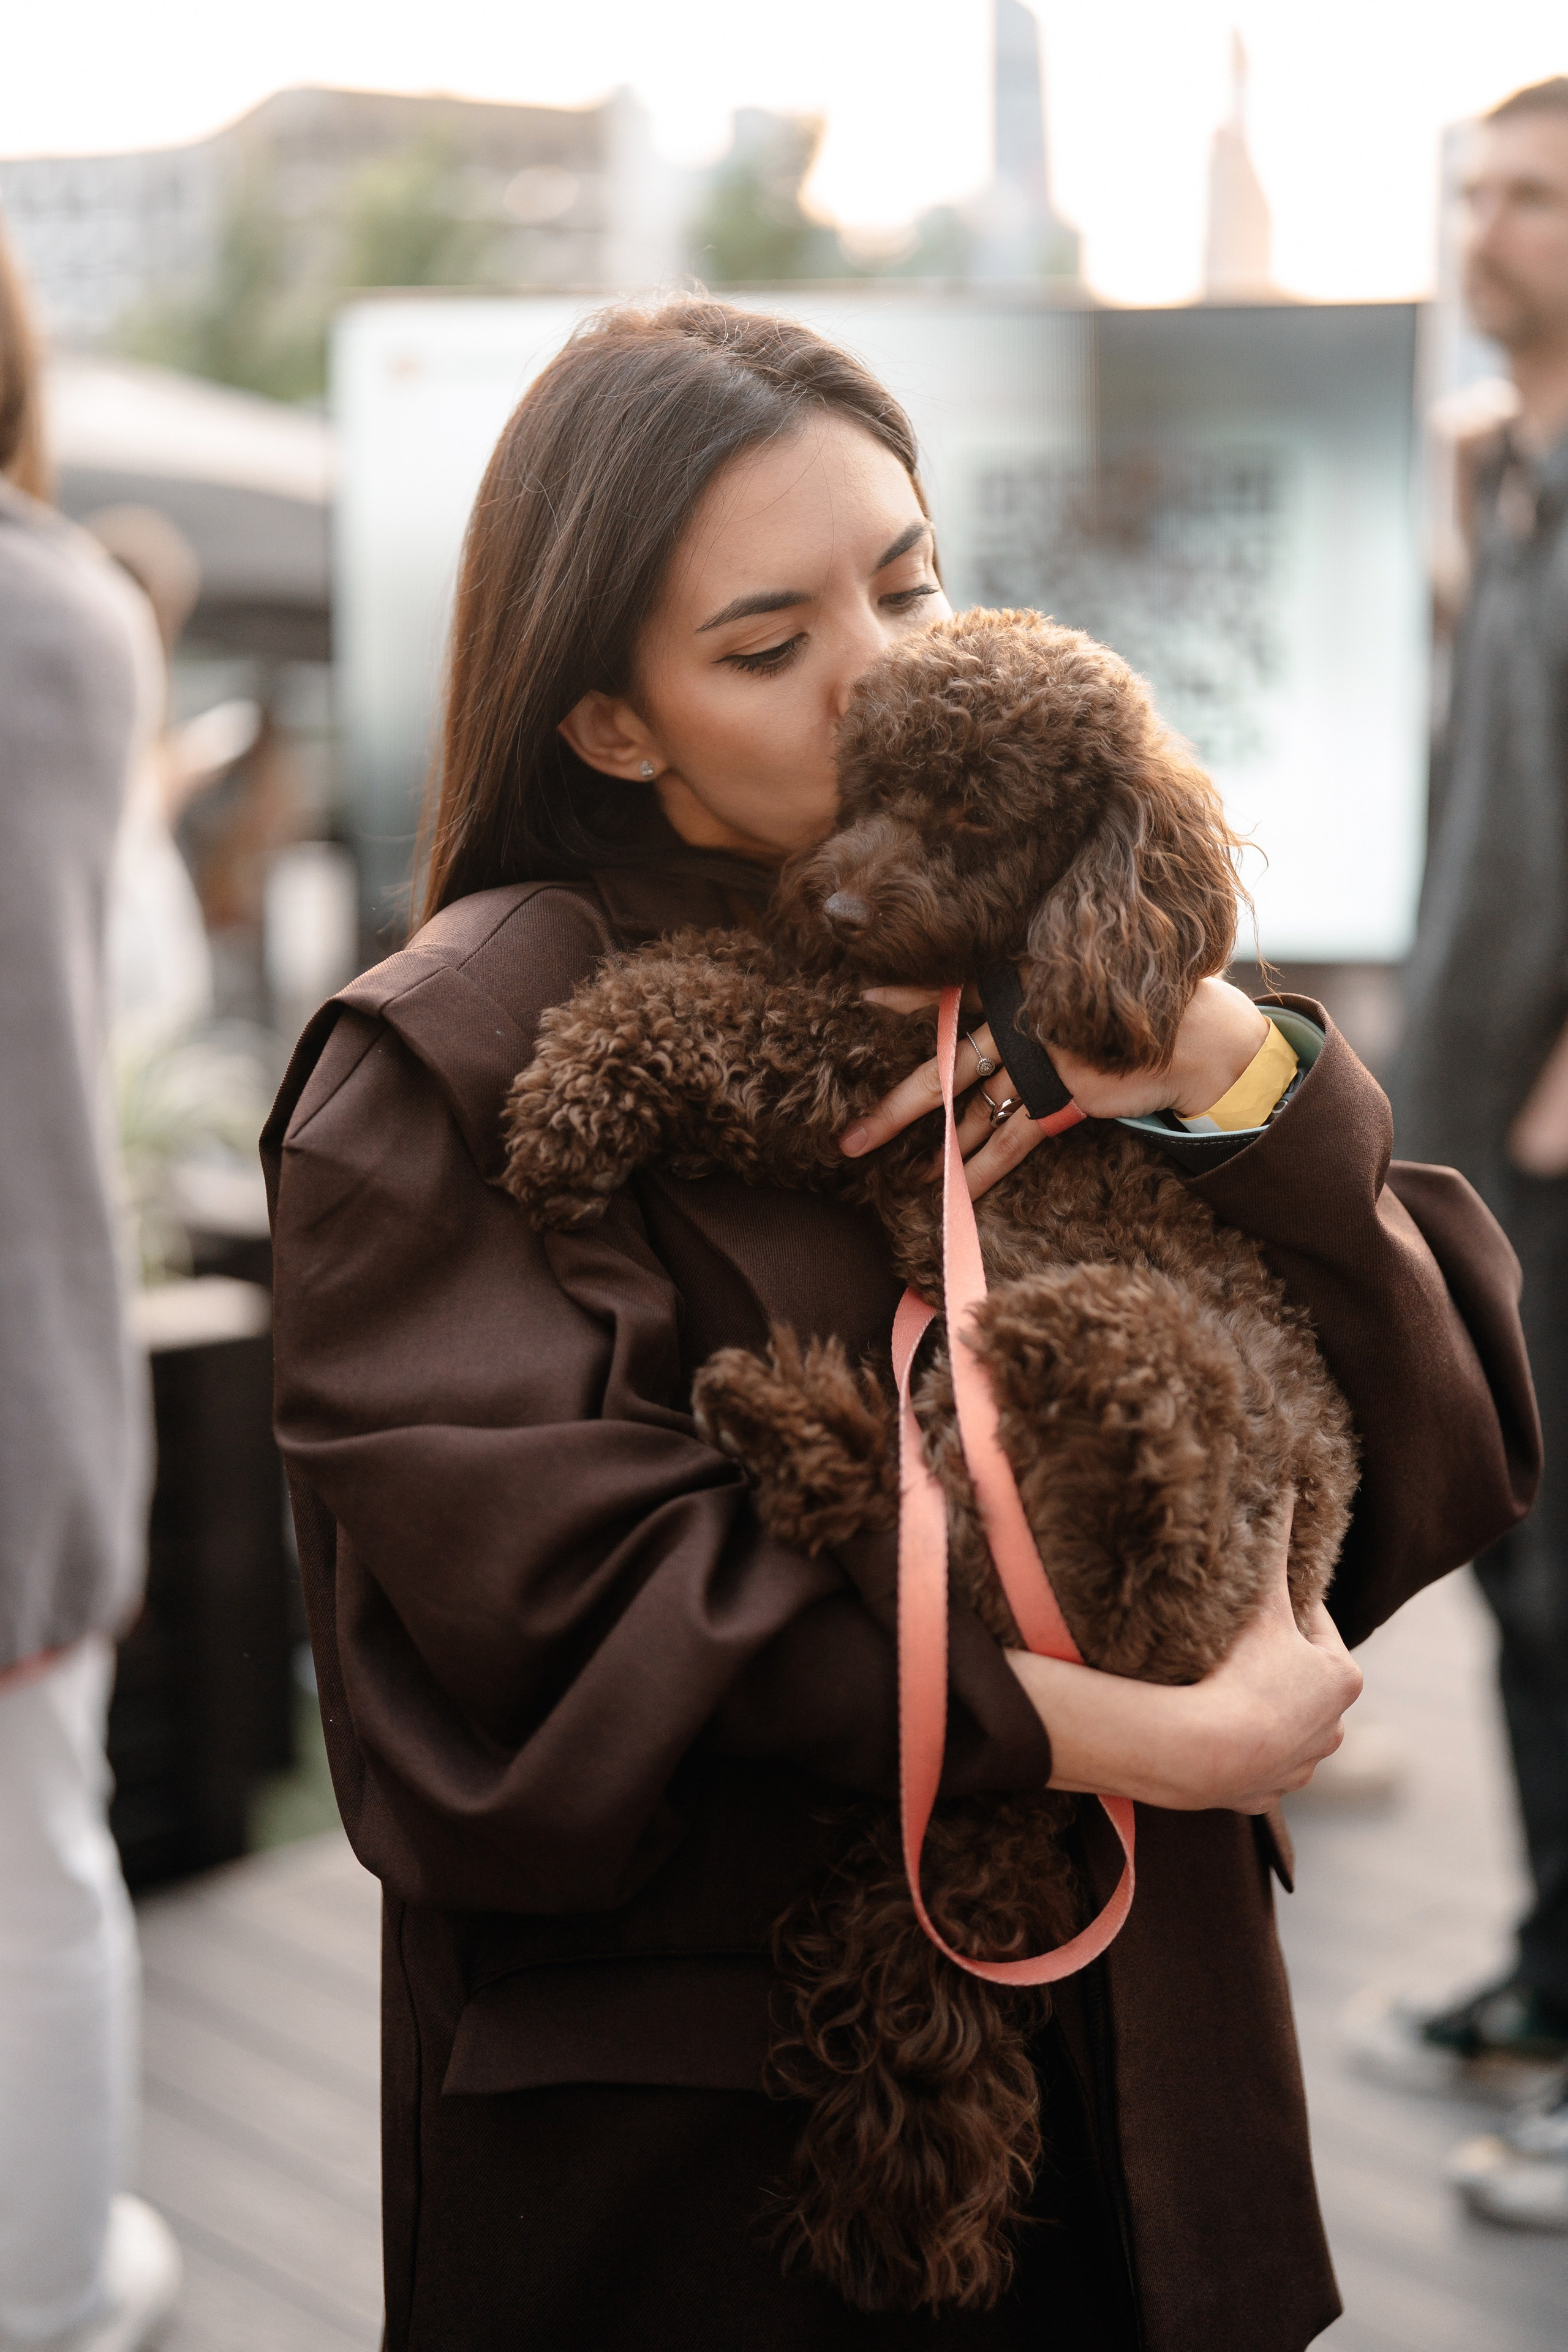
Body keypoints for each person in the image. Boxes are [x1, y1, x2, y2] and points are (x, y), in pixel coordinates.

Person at [264, 296, 1537, 2350]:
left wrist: (1231, 1078)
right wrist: (1145, 1737)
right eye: (768, 648)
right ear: (607, 719)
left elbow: (1434, 1432)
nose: (881, 680)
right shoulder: (456, 1055)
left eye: (913, 583)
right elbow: (571, 1616)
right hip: (726, 2167)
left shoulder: (1058, 932)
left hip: (1143, 2099)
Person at [1387, 77, 1568, 2228]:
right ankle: (1550, 1980)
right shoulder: (1512, 483)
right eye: (1481, 186)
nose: (1490, 221)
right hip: (1489, 1154)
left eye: (1537, 192)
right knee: (1529, 1588)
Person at [0, 225, 182, 2348]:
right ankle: (50, 2298)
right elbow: (127, 986)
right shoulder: (71, 623)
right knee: (35, 1870)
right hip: (22, 1369)